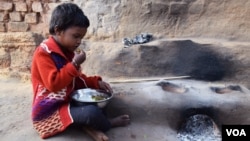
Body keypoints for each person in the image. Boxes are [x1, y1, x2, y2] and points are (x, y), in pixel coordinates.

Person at [31, 3, 130, 141]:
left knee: (99, 100)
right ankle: (107, 124)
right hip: (51, 110)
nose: (79, 41)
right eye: (76, 36)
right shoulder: (43, 53)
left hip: (68, 101)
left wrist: (96, 82)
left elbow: (76, 79)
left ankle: (87, 124)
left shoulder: (67, 51)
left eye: (81, 37)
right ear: (58, 30)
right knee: (91, 113)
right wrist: (74, 64)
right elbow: (53, 84)